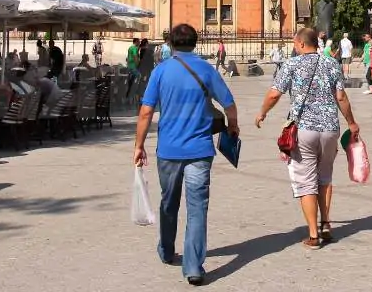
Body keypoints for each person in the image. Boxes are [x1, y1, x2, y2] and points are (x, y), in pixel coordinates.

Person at [134, 24, 239, 286]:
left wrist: (139, 145)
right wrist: (233, 127)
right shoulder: (205, 68)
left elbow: (146, 112)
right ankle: (193, 266)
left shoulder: (160, 71)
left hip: (168, 150)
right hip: (200, 150)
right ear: (195, 42)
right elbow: (229, 104)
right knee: (197, 207)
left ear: (170, 43)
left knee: (169, 202)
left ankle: (167, 250)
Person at [254, 28, 359, 250]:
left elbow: (274, 94)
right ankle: (326, 223)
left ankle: (313, 235)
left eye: (294, 44)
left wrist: (262, 112)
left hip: (304, 130)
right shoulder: (331, 63)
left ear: (301, 44)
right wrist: (351, 122)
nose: (294, 47)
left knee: (305, 180)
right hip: (330, 128)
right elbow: (341, 96)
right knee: (325, 176)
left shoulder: (291, 65)